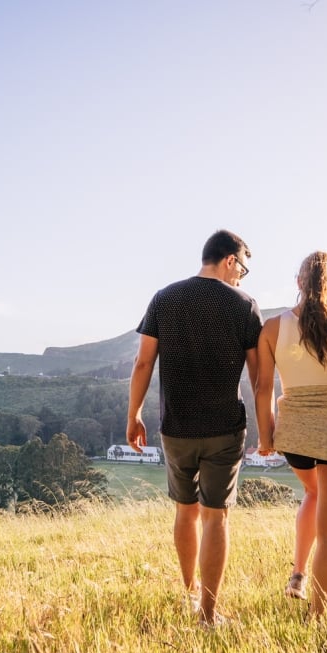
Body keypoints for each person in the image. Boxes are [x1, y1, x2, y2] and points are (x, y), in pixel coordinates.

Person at [127, 230, 262, 627]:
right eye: (244, 268)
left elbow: (142, 364)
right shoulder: (244, 305)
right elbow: (258, 378)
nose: (242, 277)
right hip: (223, 426)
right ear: (230, 261)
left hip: (176, 426)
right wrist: (267, 428)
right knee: (215, 517)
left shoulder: (164, 298)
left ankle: (188, 594)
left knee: (185, 512)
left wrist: (133, 414)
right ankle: (207, 613)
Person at [255, 251, 327, 618]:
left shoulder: (273, 327)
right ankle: (317, 615)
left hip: (294, 437)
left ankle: (298, 574)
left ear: (298, 283)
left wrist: (265, 436)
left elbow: (262, 388)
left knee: (312, 490)